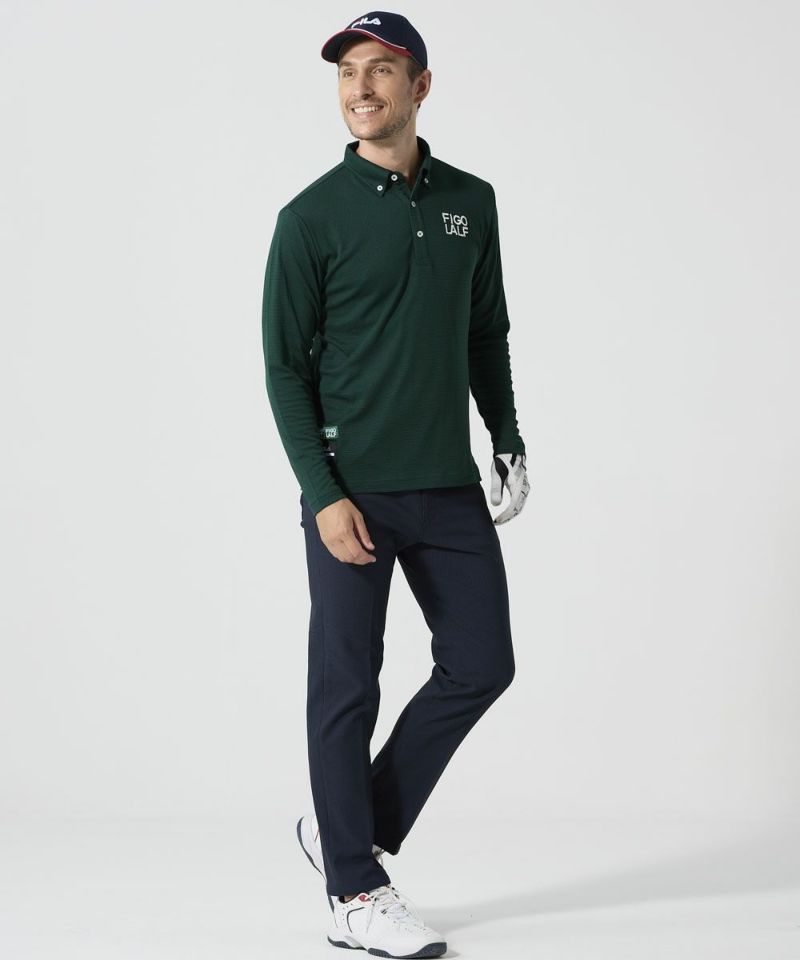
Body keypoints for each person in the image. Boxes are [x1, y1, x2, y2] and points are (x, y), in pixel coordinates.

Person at [261, 11, 530, 957]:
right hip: (353, 490)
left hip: (446, 484)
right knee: (347, 686)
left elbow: (485, 332)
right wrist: (323, 493)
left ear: (421, 85)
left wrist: (506, 436)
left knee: (482, 664)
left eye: (380, 69)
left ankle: (349, 826)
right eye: (347, 72)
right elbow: (284, 369)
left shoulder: (471, 202)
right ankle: (353, 891)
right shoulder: (309, 218)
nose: (360, 88)